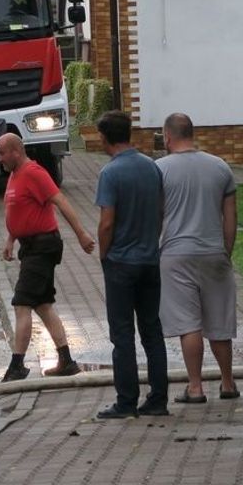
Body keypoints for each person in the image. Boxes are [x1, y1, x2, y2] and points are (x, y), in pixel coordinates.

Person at [0, 133, 96, 382]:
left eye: (1, 153)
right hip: (30, 247)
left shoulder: (34, 173)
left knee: (22, 303)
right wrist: (10, 239)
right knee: (42, 304)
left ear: (15, 151)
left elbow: (60, 200)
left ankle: (17, 365)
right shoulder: (15, 174)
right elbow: (18, 210)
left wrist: (81, 234)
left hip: (43, 246)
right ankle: (66, 361)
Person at [156, 113, 240, 404]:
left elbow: (157, 215)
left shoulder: (160, 170)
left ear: (168, 136)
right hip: (214, 252)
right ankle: (227, 383)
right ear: (192, 133)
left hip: (176, 255)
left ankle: (195, 387)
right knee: (219, 323)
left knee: (188, 324)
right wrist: (226, 250)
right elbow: (231, 216)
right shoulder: (220, 167)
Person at [94, 110, 169, 419]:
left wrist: (104, 254)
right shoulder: (152, 167)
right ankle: (158, 399)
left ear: (104, 137)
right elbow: (160, 210)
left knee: (122, 334)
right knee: (152, 330)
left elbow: (107, 223)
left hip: (121, 262)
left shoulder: (110, 173)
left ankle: (126, 402)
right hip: (150, 260)